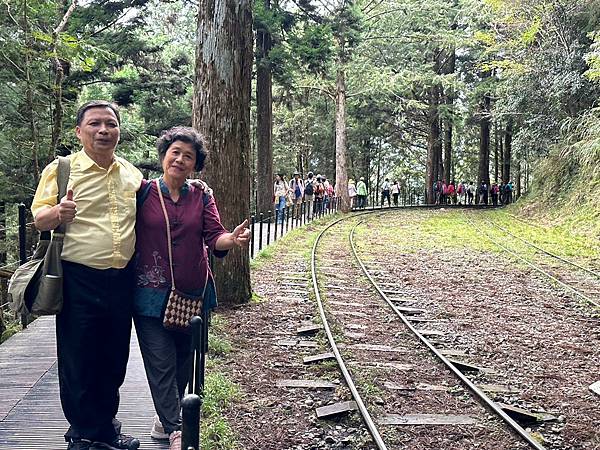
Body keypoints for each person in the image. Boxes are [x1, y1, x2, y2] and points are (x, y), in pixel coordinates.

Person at [31, 101, 142, 450]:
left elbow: (159, 203)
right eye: (94, 124)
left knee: (114, 358)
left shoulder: (131, 173)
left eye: (111, 124)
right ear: (79, 131)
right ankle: (82, 433)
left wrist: (195, 189)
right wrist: (58, 212)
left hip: (122, 278)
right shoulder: (62, 169)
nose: (103, 130)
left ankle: (104, 427)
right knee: (79, 358)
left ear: (119, 131)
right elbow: (38, 219)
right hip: (78, 277)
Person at [133, 127, 250, 450]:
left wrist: (232, 240)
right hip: (148, 294)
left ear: (196, 164)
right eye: (176, 153)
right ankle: (175, 429)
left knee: (184, 362)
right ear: (163, 156)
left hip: (193, 293)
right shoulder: (142, 192)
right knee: (160, 362)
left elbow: (216, 236)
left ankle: (165, 418)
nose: (181, 159)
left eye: (189, 156)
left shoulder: (201, 195)